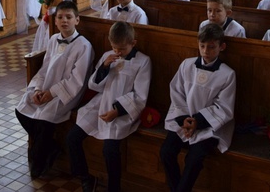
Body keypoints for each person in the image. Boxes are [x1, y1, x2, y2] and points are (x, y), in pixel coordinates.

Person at [67, 21, 151, 192]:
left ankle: (114, 188)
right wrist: (104, 67)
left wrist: (117, 111)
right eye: (114, 48)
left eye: (122, 49)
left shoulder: (143, 61)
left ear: (133, 43)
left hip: (122, 110)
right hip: (100, 103)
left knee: (110, 150)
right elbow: (94, 85)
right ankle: (85, 177)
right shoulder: (108, 55)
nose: (118, 53)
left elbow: (140, 95)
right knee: (72, 138)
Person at [15, 1, 94, 179]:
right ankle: (50, 147)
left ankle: (38, 161)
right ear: (55, 21)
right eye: (60, 17)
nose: (64, 21)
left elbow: (77, 80)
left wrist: (52, 93)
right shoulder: (53, 40)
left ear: (77, 20)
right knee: (21, 109)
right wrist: (38, 89)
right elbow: (44, 69)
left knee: (45, 118)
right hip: (47, 87)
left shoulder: (83, 46)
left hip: (68, 93)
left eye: (68, 17)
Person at [160, 24, 236, 192]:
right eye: (202, 46)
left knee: (194, 160)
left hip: (209, 126)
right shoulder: (186, 65)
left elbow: (224, 107)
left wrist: (197, 122)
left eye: (211, 47)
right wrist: (184, 119)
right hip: (183, 120)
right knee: (166, 152)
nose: (206, 51)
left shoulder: (227, 74)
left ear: (221, 47)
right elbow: (176, 92)